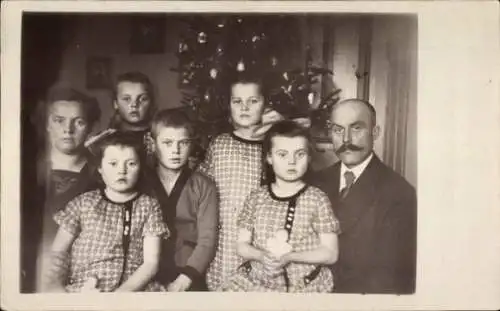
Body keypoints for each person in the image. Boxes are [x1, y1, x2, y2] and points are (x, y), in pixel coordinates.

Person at [311, 98, 417, 294]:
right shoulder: (315, 182)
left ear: (375, 133)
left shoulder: (399, 193)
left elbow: (391, 278)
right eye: (338, 130)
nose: (346, 140)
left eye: (356, 128)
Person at [43, 132, 169, 292]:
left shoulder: (148, 206)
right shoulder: (83, 203)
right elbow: (58, 253)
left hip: (132, 290)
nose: (122, 171)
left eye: (131, 164)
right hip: (85, 288)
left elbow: (151, 263)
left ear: (140, 168)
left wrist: (119, 296)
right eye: (113, 163)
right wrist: (59, 288)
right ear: (100, 169)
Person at [225, 120, 340, 292]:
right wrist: (262, 256)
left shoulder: (317, 199)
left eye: (299, 154)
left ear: (309, 157)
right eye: (282, 154)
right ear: (269, 157)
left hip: (303, 288)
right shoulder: (256, 198)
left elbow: (331, 253)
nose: (292, 162)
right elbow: (241, 245)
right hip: (258, 285)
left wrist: (290, 257)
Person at [197, 72, 270, 291]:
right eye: (237, 101)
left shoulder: (273, 146)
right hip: (224, 235)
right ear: (229, 105)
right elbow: (200, 187)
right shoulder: (219, 144)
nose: (244, 107)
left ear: (265, 104)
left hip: (257, 236)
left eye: (253, 101)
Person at [34, 86, 101, 292]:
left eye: (78, 122)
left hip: (84, 277)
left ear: (89, 127)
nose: (68, 130)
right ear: (47, 124)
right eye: (59, 120)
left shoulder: (104, 174)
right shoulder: (24, 171)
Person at [147, 109, 218, 291]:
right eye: (167, 143)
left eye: (183, 143)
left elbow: (207, 239)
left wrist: (184, 280)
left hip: (188, 273)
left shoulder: (204, 186)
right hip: (147, 271)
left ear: (192, 144)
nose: (176, 151)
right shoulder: (143, 183)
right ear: (153, 144)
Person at [108, 71, 156, 160]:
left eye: (143, 99)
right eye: (126, 99)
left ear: (151, 102)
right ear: (116, 104)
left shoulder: (160, 138)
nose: (134, 104)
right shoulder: (106, 141)